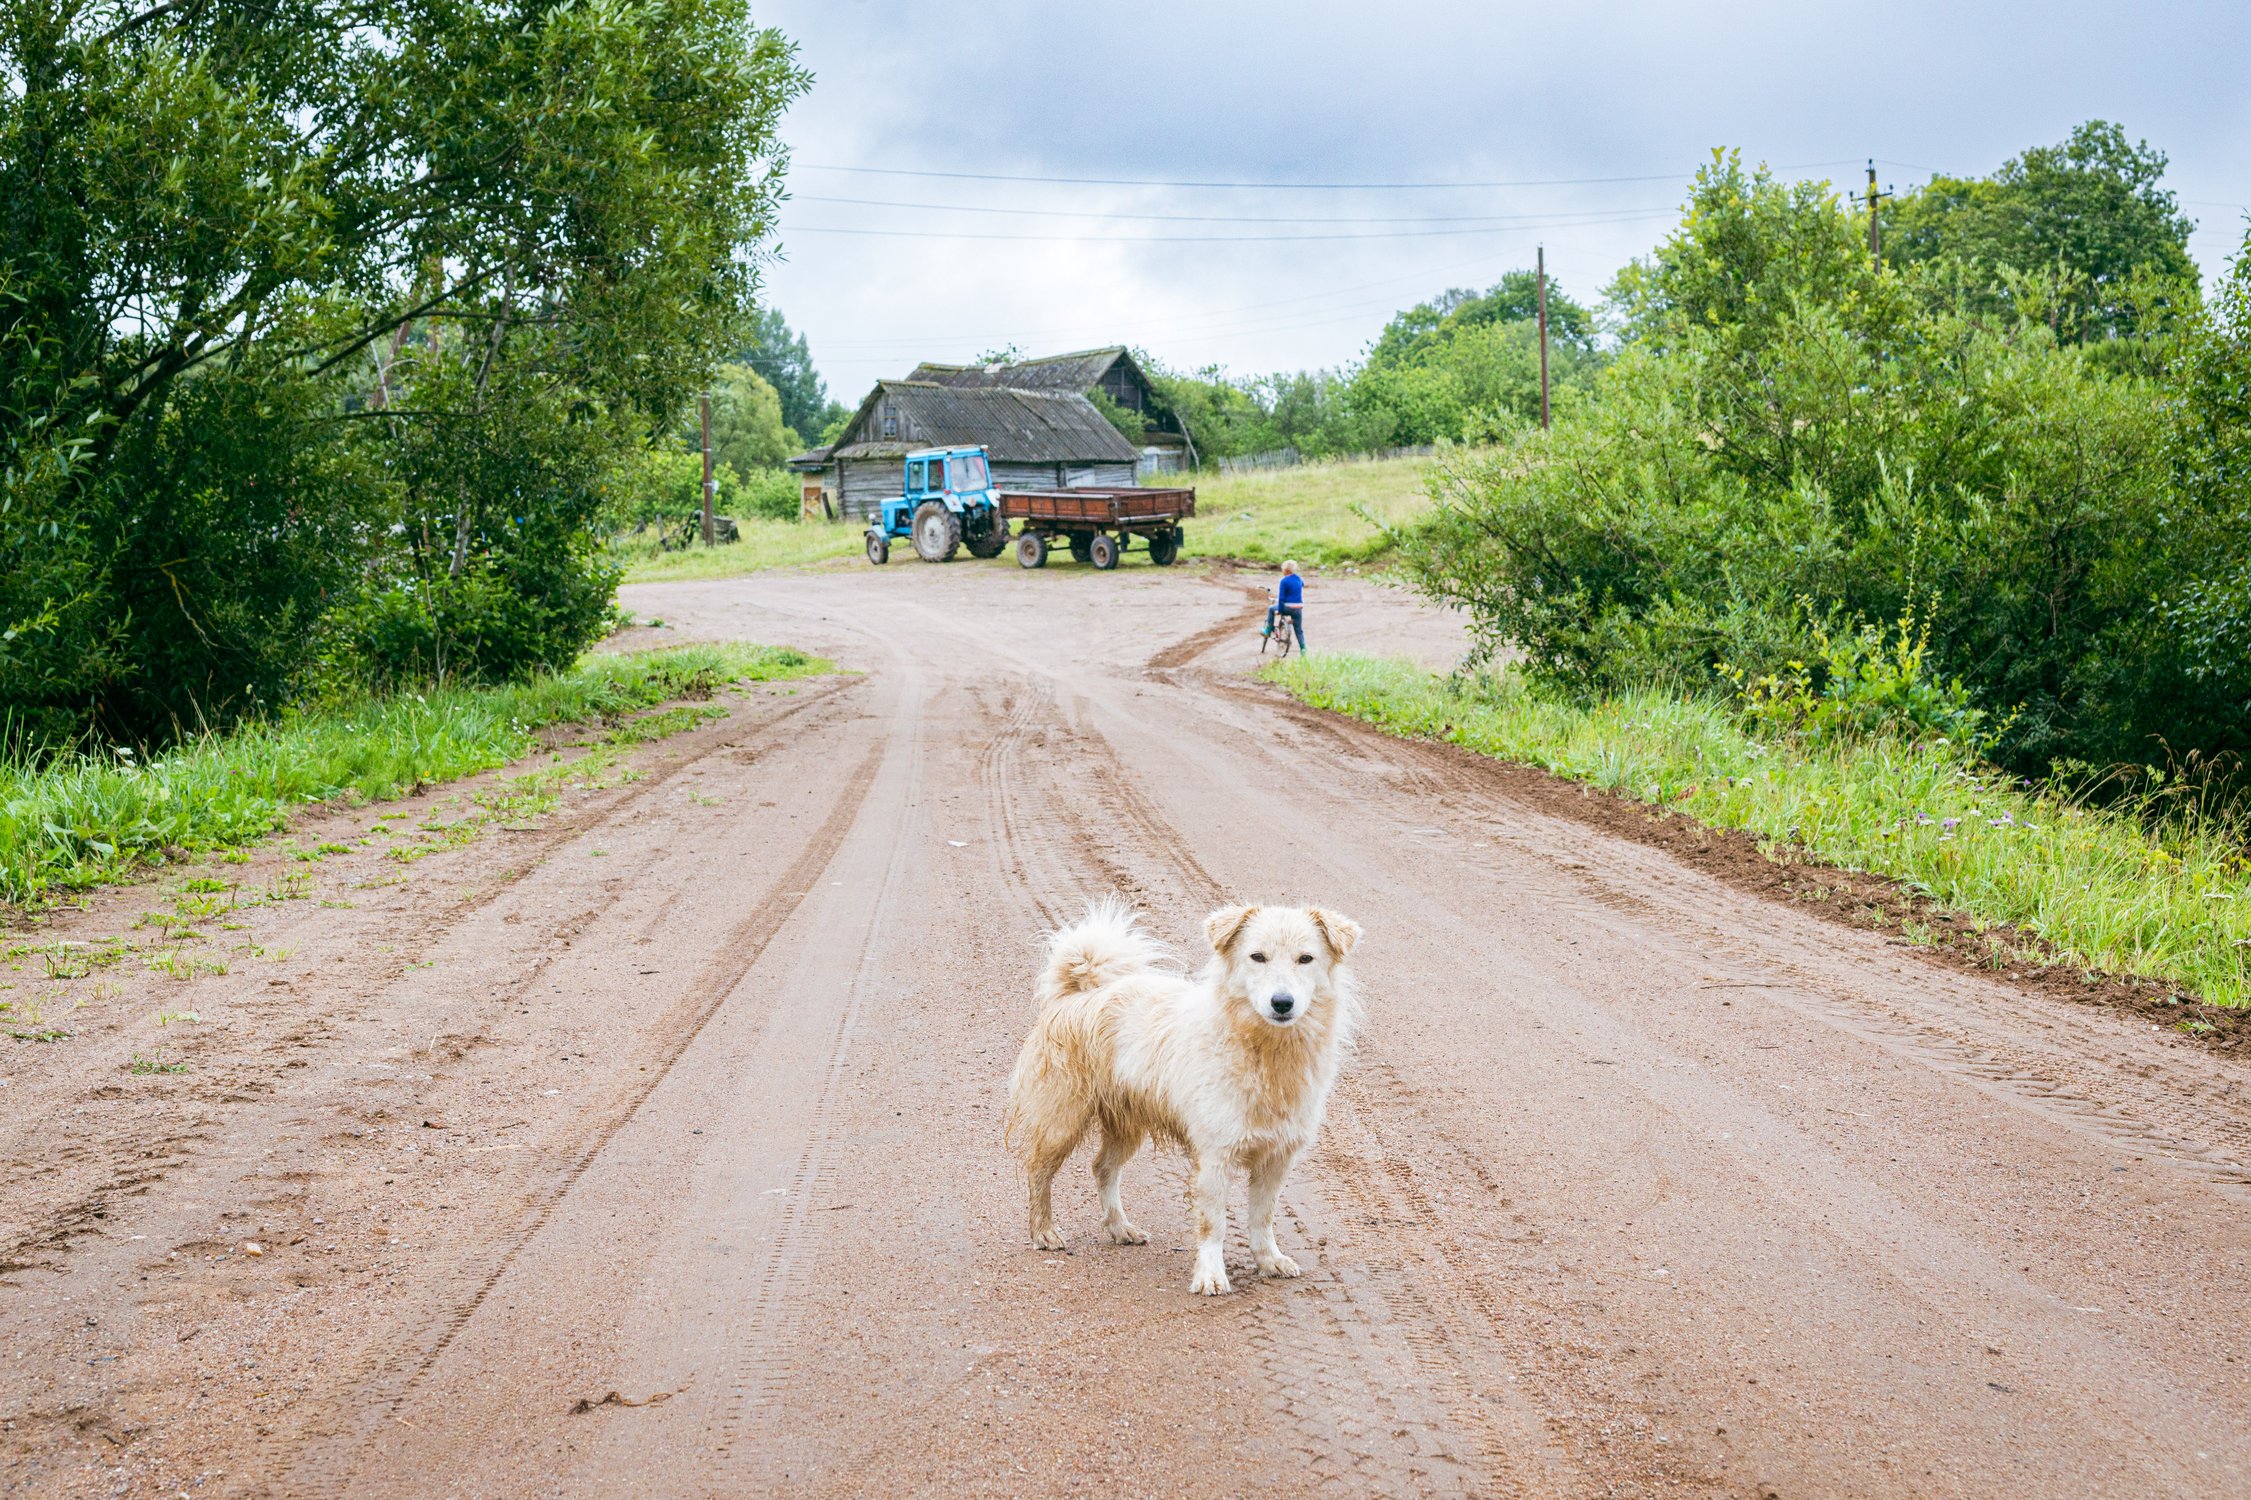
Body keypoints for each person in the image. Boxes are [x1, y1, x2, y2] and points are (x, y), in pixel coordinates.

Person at [1264, 560, 1306, 652]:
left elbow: (1282, 598)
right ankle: (1303, 649)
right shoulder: (1299, 578)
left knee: (1271, 609)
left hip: (1287, 607)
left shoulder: (1284, 581)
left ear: (1286, 571)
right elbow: (1303, 584)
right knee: (1299, 630)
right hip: (1298, 608)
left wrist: (1279, 610)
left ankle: (1268, 630)